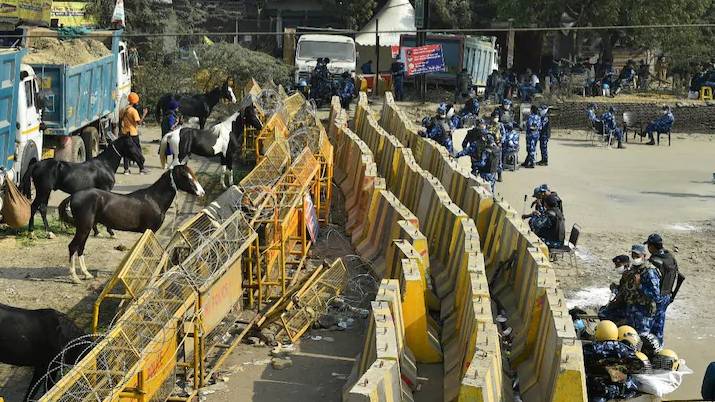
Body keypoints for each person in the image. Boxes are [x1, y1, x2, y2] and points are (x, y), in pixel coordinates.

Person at [645, 233, 679, 343]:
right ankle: (658, 344)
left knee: (651, 327)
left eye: (648, 246)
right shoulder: (670, 256)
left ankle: (654, 348)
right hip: (668, 295)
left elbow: (651, 282)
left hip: (657, 297)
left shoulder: (655, 261)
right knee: (660, 323)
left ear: (652, 246)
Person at [622, 244, 662, 335]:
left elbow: (655, 296)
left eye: (637, 256)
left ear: (644, 256)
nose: (634, 258)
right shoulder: (635, 268)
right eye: (633, 255)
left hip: (644, 314)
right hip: (632, 312)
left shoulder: (650, 271)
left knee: (642, 340)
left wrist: (639, 285)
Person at [119, 92, 148, 175]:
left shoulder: (124, 109)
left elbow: (121, 119)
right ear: (135, 102)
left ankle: (126, 170)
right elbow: (139, 122)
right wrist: (144, 114)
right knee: (137, 151)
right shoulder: (133, 111)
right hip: (133, 133)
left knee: (126, 151)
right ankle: (141, 168)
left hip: (125, 132)